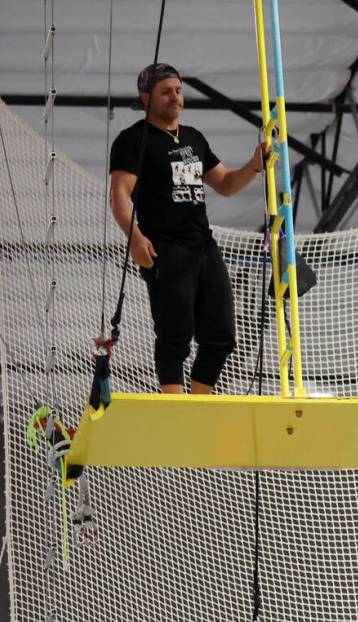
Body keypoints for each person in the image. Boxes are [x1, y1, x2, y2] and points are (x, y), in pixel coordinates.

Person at [109, 63, 266, 394]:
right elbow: (119, 194)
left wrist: (254, 166)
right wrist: (134, 237)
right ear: (145, 97)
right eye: (166, 92)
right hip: (166, 248)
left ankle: (197, 405)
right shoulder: (134, 139)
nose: (175, 97)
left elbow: (224, 183)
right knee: (175, 335)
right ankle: (177, 408)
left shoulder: (194, 138)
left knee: (221, 336)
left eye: (178, 91)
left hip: (203, 246)